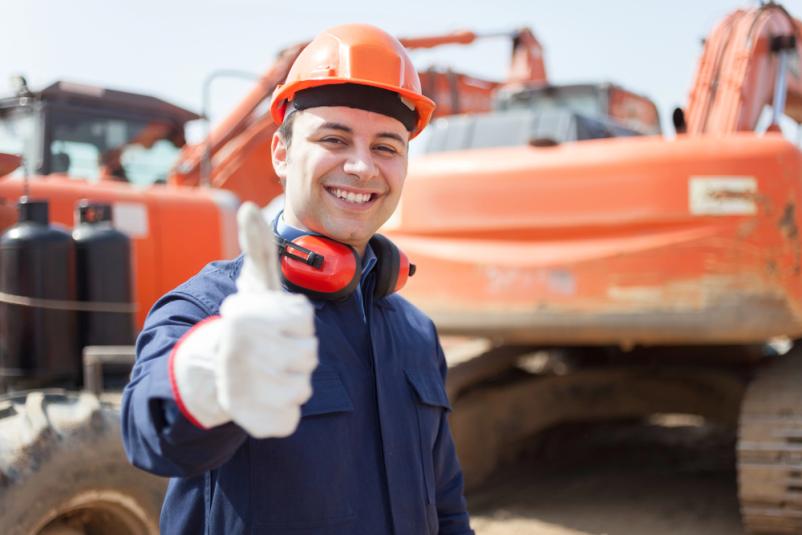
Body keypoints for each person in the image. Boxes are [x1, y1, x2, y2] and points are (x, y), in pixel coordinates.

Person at [121, 23, 474, 535]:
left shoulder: (415, 332)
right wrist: (213, 367)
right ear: (281, 154)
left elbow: (446, 506)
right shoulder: (212, 308)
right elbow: (148, 434)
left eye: (387, 147)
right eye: (334, 138)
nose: (360, 166)